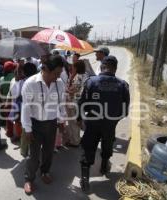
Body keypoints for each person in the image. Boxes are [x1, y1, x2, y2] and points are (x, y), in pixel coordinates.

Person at [78, 56, 130, 192]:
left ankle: (84, 180)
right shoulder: (123, 85)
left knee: (88, 148)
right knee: (107, 145)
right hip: (110, 124)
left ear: (102, 67)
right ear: (115, 68)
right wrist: (113, 120)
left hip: (92, 122)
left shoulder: (90, 82)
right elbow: (125, 111)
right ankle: (104, 166)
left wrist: (79, 118)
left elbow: (82, 103)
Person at [22, 55, 66, 195]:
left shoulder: (59, 83)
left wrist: (61, 120)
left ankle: (45, 172)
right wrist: (27, 129)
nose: (58, 77)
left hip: (51, 123)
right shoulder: (31, 83)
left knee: (48, 152)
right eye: (56, 73)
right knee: (33, 156)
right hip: (35, 125)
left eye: (60, 73)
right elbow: (26, 108)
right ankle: (29, 179)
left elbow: (61, 104)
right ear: (46, 69)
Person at [64, 60, 90, 147]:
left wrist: (65, 88)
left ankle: (75, 142)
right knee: (77, 122)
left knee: (73, 123)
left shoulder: (78, 77)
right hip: (81, 102)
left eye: (73, 66)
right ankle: (77, 139)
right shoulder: (85, 75)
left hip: (74, 102)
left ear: (77, 67)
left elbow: (73, 90)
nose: (71, 68)